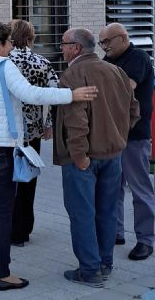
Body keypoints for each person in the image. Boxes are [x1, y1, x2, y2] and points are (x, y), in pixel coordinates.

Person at [0, 22, 96, 291]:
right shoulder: (3, 66)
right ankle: (3, 274)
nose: (12, 47)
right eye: (8, 42)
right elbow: (30, 94)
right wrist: (71, 94)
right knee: (2, 213)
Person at [56, 27, 139, 288]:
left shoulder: (73, 73)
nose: (61, 48)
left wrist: (79, 154)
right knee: (106, 212)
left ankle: (90, 271)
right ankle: (104, 264)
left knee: (82, 213)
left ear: (77, 48)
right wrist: (118, 135)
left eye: (64, 43)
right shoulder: (115, 70)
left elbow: (76, 120)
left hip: (84, 159)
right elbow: (133, 109)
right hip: (112, 155)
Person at [100, 23, 155, 261]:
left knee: (140, 188)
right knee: (112, 188)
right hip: (113, 134)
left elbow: (124, 89)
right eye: (101, 43)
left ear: (122, 38)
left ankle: (146, 239)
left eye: (107, 42)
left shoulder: (138, 58)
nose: (104, 47)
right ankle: (116, 232)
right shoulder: (109, 59)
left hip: (134, 136)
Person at [8, 19, 59, 246]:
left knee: (7, 181)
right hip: (33, 131)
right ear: (31, 38)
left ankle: (8, 227)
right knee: (28, 179)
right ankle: (24, 229)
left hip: (7, 131)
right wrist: (48, 123)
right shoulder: (42, 62)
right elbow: (53, 94)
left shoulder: (3, 62)